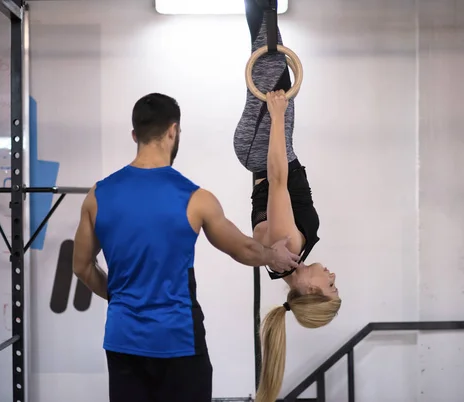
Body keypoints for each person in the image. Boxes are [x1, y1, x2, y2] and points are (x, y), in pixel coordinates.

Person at [71, 92, 301, 402]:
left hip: (123, 339)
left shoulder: (97, 196)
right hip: (179, 340)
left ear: (134, 135)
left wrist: (122, 297)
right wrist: (274, 255)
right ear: (172, 131)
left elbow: (82, 267)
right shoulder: (196, 199)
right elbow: (243, 249)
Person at [233, 1, 342, 401]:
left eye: (329, 286)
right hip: (272, 148)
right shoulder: (283, 261)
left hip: (266, 150)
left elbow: (277, 181)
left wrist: (277, 117)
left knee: (270, 43)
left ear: (310, 290)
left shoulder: (289, 249)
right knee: (264, 41)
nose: (332, 276)